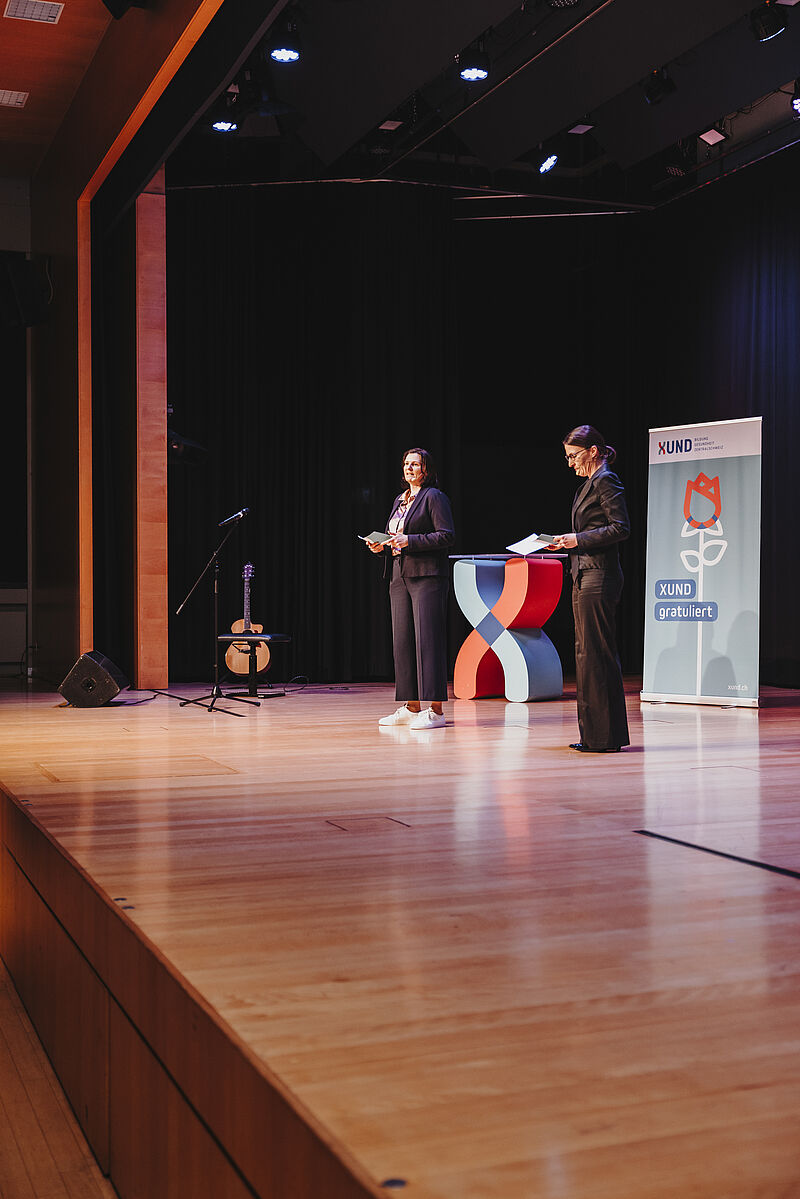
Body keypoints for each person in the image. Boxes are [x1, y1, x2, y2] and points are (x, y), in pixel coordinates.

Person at [548, 425, 630, 753]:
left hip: (599, 575)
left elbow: (620, 527)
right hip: (584, 574)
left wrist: (577, 539)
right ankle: (596, 735)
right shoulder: (590, 483)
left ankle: (603, 738)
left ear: (593, 451)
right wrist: (566, 542)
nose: (570, 463)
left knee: (596, 654)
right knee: (586, 654)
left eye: (574, 456)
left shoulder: (606, 480)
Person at [366, 448, 454, 730]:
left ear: (426, 469)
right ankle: (411, 706)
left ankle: (436, 710)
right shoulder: (400, 500)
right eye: (406, 463)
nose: (409, 468)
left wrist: (410, 541)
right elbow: (395, 537)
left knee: (428, 641)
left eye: (415, 464)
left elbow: (446, 536)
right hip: (398, 575)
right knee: (402, 642)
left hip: (427, 576)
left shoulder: (434, 497)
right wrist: (381, 546)